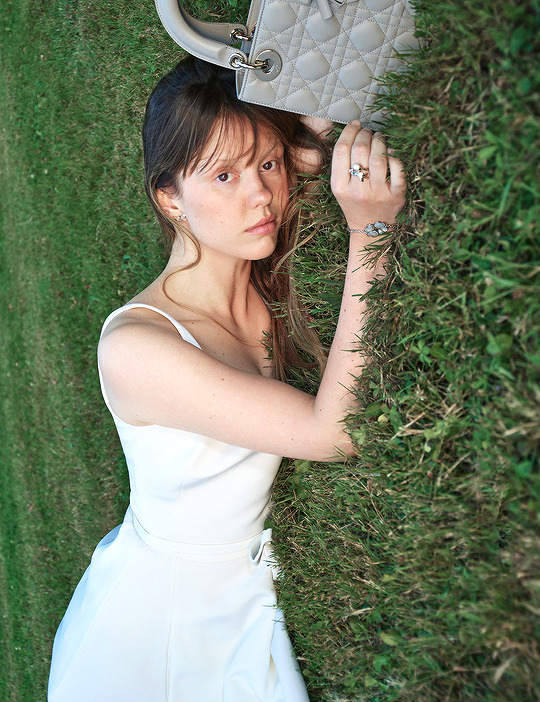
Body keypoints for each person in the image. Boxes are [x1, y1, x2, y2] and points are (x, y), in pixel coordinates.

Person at [48, 56, 405, 702]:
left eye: (266, 165)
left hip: (235, 586)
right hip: (162, 627)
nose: (260, 196)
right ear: (169, 198)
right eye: (223, 176)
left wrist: (290, 138)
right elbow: (335, 432)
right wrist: (370, 231)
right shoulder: (138, 349)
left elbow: (301, 148)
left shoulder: (246, 259)